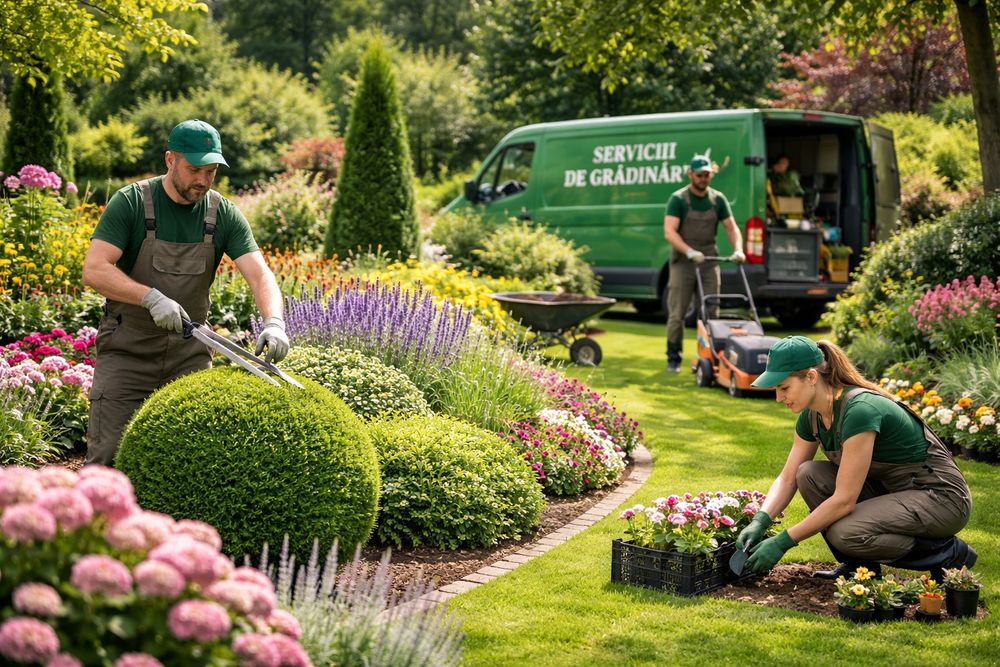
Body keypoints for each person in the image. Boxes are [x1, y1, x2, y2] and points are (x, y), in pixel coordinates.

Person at [82, 119, 290, 466]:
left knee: (192, 461)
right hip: (128, 351)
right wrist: (150, 297)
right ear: (169, 160)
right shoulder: (132, 203)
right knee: (108, 457)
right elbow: (95, 269)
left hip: (188, 353)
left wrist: (274, 322)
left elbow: (259, 273)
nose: (203, 181)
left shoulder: (221, 213)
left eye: (211, 171)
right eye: (195, 169)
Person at [737, 336, 976, 581]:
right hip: (894, 491)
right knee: (808, 474)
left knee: (846, 532)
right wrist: (760, 520)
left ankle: (947, 552)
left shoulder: (859, 410)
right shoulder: (812, 417)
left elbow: (844, 501)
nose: (779, 398)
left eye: (784, 388)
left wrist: (783, 542)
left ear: (810, 377)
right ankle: (861, 568)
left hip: (941, 498)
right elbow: (788, 478)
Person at [662, 154, 745, 373]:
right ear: (691, 174)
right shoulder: (678, 199)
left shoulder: (717, 199)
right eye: (699, 175)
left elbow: (731, 227)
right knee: (677, 312)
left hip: (708, 260)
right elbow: (669, 232)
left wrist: (738, 249)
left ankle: (710, 359)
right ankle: (673, 358)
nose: (703, 179)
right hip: (683, 261)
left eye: (706, 175)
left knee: (711, 310)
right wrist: (689, 251)